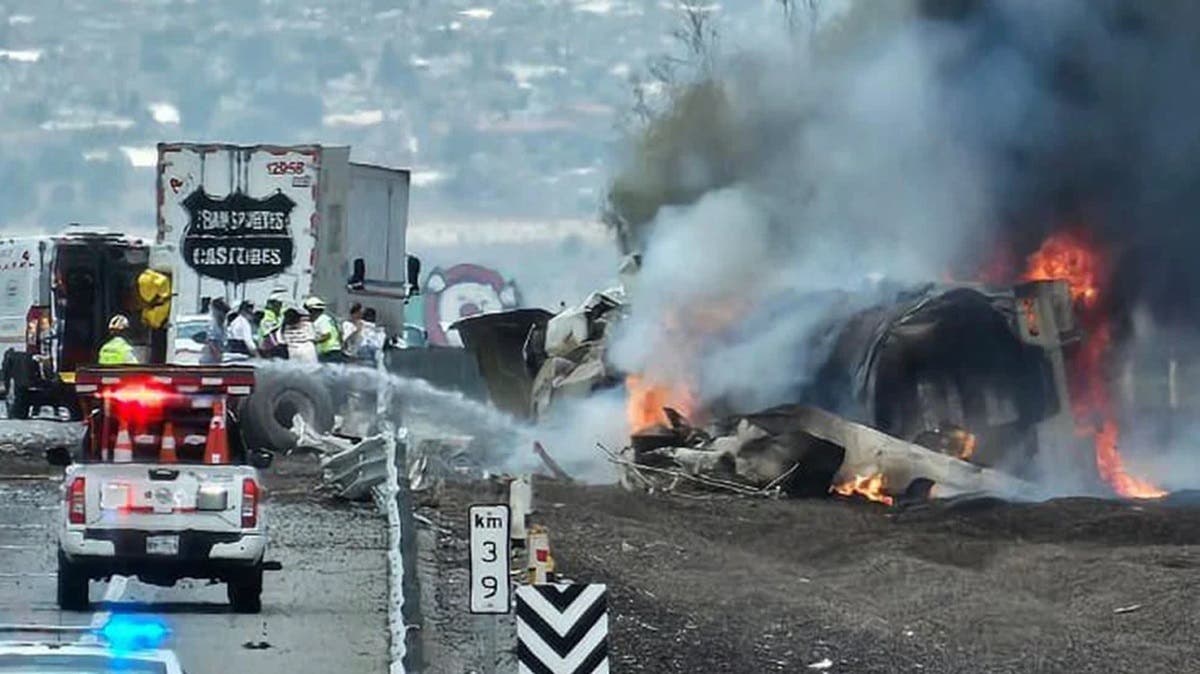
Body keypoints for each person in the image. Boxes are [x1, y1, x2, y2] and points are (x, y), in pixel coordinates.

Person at [304, 296, 342, 362]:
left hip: (329, 352)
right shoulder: (327, 318)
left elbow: (327, 335)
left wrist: (313, 342)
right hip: (333, 351)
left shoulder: (321, 320)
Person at [200, 297, 228, 365]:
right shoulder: (213, 324)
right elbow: (211, 342)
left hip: (217, 358)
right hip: (210, 360)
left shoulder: (222, 323)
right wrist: (217, 355)